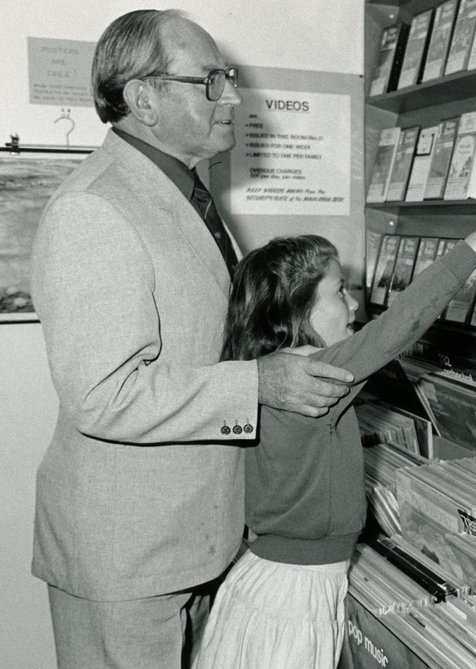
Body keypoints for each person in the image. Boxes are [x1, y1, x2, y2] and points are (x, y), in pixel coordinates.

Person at [30, 10, 353, 668]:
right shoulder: (95, 207)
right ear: (143, 98)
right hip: (128, 556)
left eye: (227, 77)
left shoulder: (183, 193)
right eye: (210, 80)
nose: (231, 95)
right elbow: (104, 393)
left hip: (193, 540)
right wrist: (260, 382)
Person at [193, 199, 476, 668]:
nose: (354, 303)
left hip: (270, 580)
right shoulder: (313, 375)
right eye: (340, 293)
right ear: (298, 310)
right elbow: (397, 329)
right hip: (294, 592)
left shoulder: (258, 374)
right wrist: (475, 247)